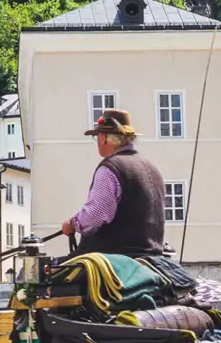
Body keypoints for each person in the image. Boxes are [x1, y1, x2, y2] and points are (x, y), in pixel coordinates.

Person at [59, 109, 165, 258]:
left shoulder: (110, 169)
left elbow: (94, 216)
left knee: (47, 273)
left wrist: (72, 224)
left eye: (97, 137)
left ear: (104, 138)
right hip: (151, 257)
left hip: (114, 258)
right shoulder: (152, 169)